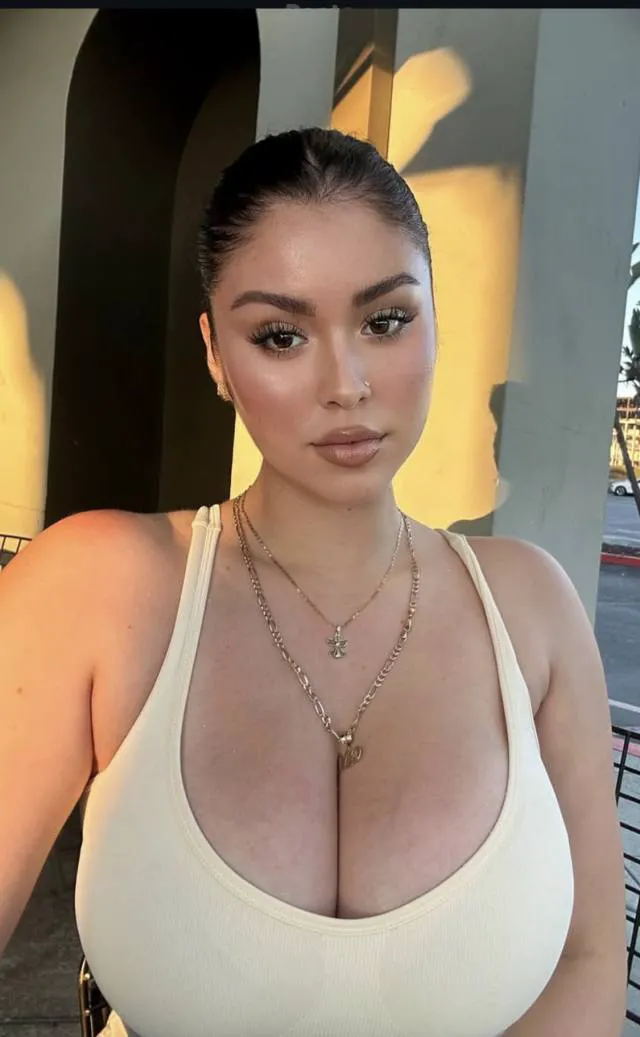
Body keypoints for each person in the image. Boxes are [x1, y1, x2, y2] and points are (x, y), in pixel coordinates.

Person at [0, 128, 627, 1036]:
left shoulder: (532, 609)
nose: (347, 384)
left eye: (385, 321)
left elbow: (588, 956)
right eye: (281, 335)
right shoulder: (98, 586)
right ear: (216, 354)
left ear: (434, 318)